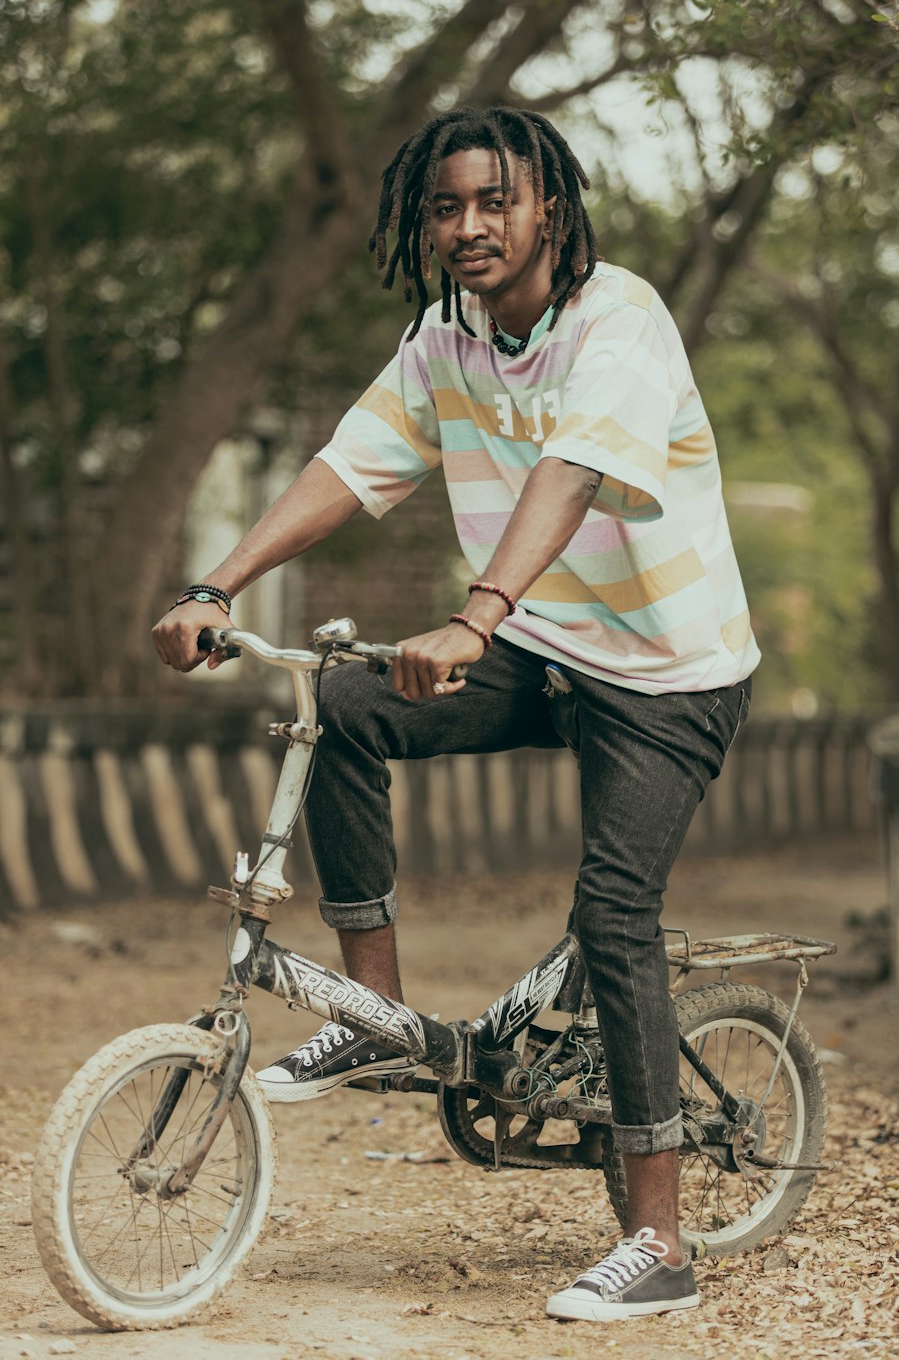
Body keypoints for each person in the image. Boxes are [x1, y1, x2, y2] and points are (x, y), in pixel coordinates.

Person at [153, 105, 759, 1323]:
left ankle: (659, 1241)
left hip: (665, 671)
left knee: (615, 913)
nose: (469, 226)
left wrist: (475, 615)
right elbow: (351, 462)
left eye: (496, 200)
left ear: (552, 208)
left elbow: (570, 471)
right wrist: (220, 581)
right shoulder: (445, 335)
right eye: (445, 207)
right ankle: (378, 1014)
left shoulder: (619, 317)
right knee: (340, 704)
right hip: (539, 644)